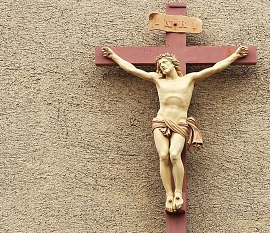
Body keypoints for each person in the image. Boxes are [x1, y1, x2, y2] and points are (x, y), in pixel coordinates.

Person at [101, 44, 248, 212]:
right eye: (160, 65)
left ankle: (178, 192)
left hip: (179, 123)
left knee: (174, 155)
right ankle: (169, 194)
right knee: (163, 156)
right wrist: (113, 56)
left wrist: (236, 55)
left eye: (164, 63)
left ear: (173, 63)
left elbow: (215, 68)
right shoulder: (158, 80)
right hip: (161, 121)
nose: (162, 66)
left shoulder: (189, 79)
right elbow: (133, 70)